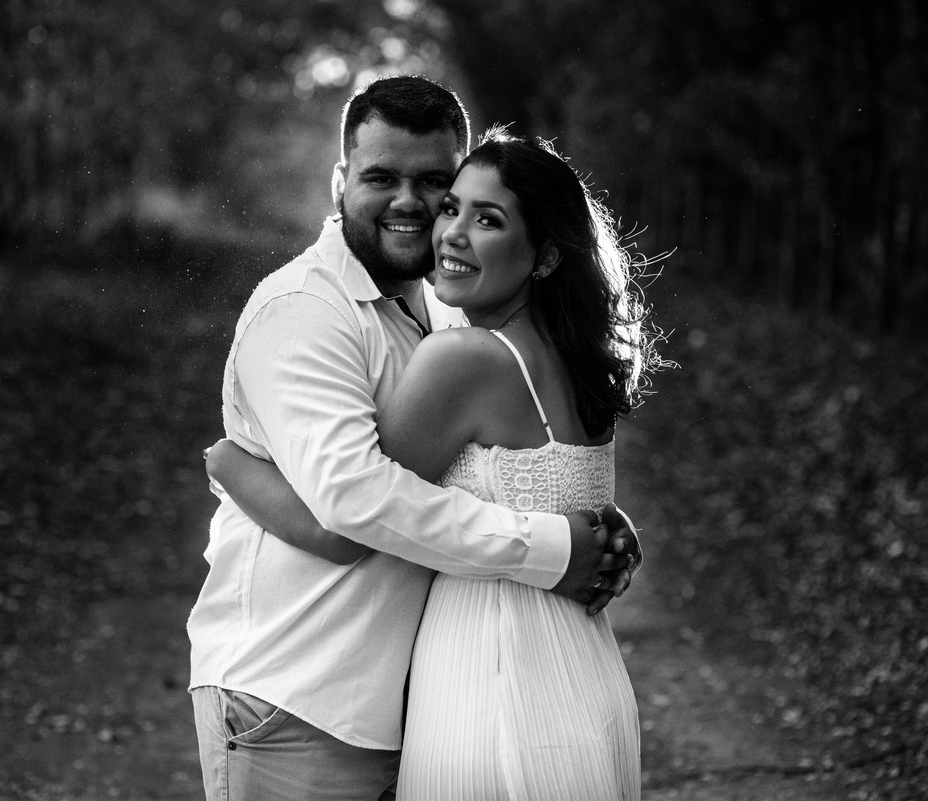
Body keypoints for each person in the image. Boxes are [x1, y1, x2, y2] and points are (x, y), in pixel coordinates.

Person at [186, 75, 642, 801]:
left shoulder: (456, 319)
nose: (413, 204)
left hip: (442, 694)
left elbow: (352, 509)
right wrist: (557, 545)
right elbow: (352, 504)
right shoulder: (305, 312)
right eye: (380, 177)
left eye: (436, 182)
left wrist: (230, 461)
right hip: (301, 697)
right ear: (339, 181)